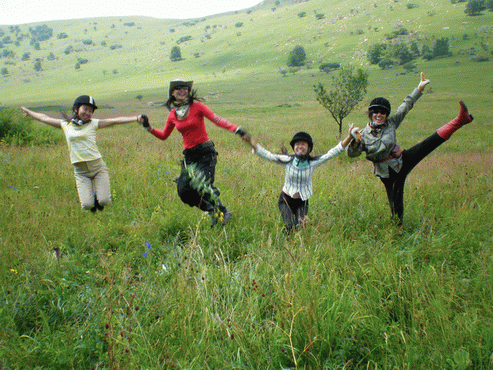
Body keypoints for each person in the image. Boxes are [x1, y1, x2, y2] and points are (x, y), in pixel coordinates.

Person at [347, 72, 474, 226]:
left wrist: (419, 88)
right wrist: (354, 140)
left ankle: (461, 120)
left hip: (402, 160)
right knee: (395, 200)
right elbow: (352, 154)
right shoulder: (362, 135)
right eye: (376, 112)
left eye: (383, 112)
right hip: (387, 172)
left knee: (428, 144)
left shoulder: (391, 123)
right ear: (371, 114)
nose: (379, 115)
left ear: (387, 115)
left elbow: (406, 105)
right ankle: (397, 228)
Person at [141, 78, 248, 226]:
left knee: (202, 184)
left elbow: (216, 119)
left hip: (205, 153)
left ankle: (223, 211)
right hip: (190, 156)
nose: (182, 90)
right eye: (178, 88)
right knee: (184, 191)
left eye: (185, 88)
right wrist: (148, 127)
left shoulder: (198, 107)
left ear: (189, 91)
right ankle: (212, 211)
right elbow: (164, 135)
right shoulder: (172, 114)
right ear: (172, 93)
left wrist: (237, 130)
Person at [21, 96, 146, 212]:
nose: (88, 113)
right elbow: (44, 118)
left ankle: (98, 195)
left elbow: (115, 121)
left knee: (104, 201)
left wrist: (135, 118)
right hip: (80, 172)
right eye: (85, 109)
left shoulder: (93, 124)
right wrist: (29, 112)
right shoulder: (65, 124)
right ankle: (92, 197)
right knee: (86, 205)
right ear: (76, 109)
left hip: (97, 168)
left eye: (91, 111)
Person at [243, 126, 354, 232]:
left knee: (301, 227)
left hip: (302, 201)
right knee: (289, 225)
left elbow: (333, 153)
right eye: (297, 144)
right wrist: (251, 143)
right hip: (286, 199)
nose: (300, 146)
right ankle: (288, 245)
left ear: (309, 148)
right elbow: (268, 155)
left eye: (303, 144)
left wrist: (349, 137)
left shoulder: (313, 163)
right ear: (293, 147)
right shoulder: (287, 160)